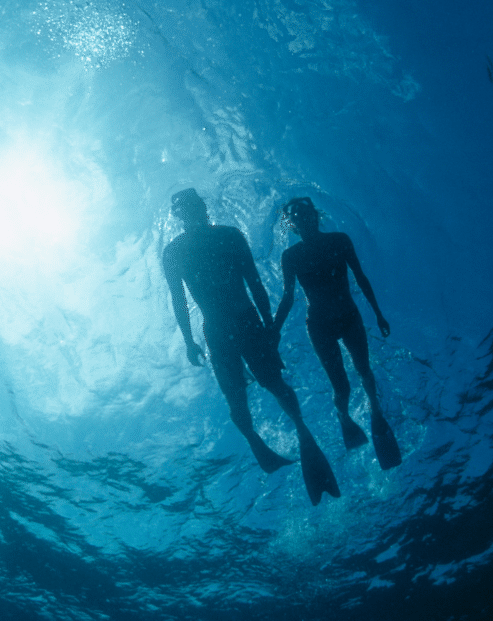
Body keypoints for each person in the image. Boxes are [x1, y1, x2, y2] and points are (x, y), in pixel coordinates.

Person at [162, 188, 340, 505]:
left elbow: (254, 281)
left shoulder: (229, 236)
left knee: (274, 383)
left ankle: (303, 434)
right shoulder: (175, 252)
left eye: (199, 205)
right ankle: (259, 444)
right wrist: (189, 342)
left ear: (203, 208)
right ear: (181, 215)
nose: (197, 211)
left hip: (246, 323)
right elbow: (178, 300)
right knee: (236, 398)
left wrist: (270, 325)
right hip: (218, 330)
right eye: (190, 208)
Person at [273, 197, 402, 470]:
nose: (302, 218)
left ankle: (376, 413)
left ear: (315, 215)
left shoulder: (339, 240)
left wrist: (378, 313)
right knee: (341, 386)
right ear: (292, 224)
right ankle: (344, 417)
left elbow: (360, 276)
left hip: (349, 317)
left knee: (364, 370)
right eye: (296, 216)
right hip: (319, 326)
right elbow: (287, 298)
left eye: (305, 213)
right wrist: (274, 331)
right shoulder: (291, 256)